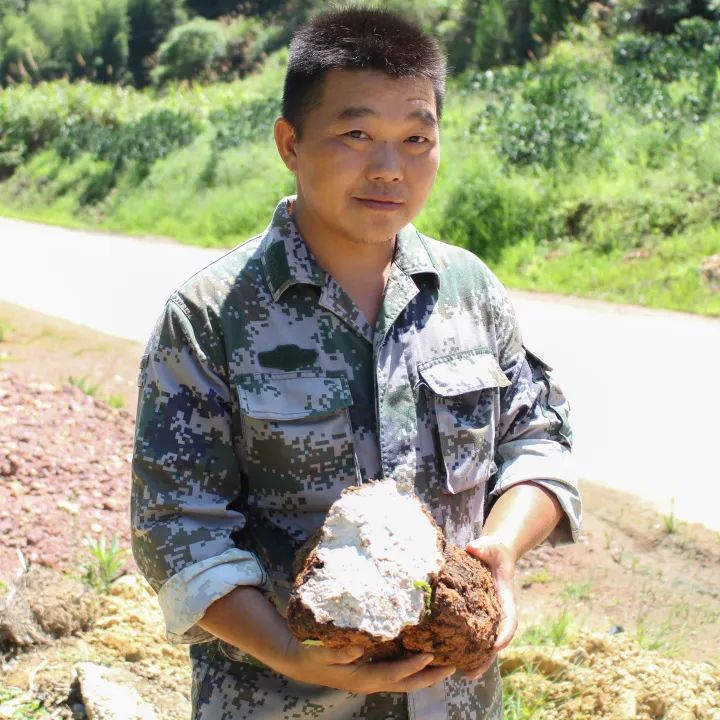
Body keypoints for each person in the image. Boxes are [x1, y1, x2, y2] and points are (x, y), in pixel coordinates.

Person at [131, 7, 582, 719]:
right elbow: (175, 528)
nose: (388, 168)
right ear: (290, 142)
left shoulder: (469, 293)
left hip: (456, 699)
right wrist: (289, 650)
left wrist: (500, 548)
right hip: (281, 701)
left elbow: (537, 440)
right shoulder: (211, 314)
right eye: (356, 134)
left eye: (415, 139)